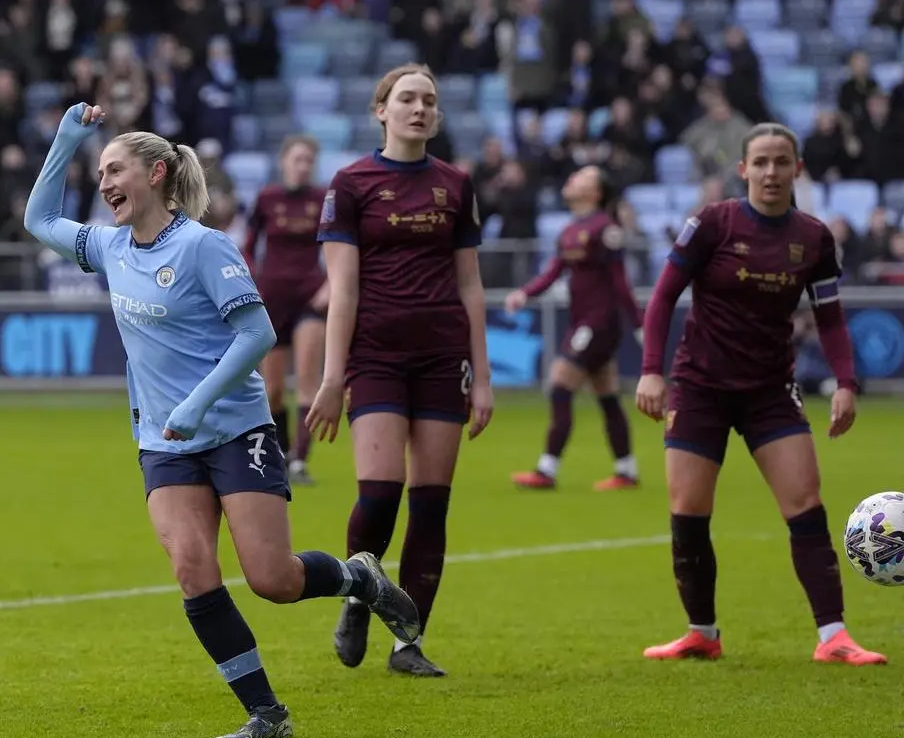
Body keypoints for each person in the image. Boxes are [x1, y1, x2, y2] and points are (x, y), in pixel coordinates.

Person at [24, 102, 422, 738]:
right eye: (98, 173)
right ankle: (266, 714)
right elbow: (38, 219)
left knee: (273, 579)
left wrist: (198, 403)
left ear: (156, 174)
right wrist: (67, 140)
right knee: (192, 569)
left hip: (235, 429)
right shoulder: (110, 246)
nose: (104, 184)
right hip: (163, 441)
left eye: (114, 169)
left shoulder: (204, 247)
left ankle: (358, 578)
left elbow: (257, 332)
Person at [636, 122, 886, 665]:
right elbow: (662, 299)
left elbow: (832, 319)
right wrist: (652, 370)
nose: (771, 172)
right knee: (689, 509)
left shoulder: (814, 238)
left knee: (805, 503)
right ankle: (701, 632)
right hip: (700, 387)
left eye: (782, 162)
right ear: (743, 169)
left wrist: (846, 383)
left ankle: (834, 637)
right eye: (762, 162)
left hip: (771, 390)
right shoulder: (712, 224)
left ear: (797, 169)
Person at [307, 63, 495, 678]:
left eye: (429, 101)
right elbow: (345, 292)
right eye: (407, 99)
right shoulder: (352, 183)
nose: (420, 109)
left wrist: (484, 376)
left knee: (431, 504)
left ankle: (407, 643)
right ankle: (362, 591)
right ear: (381, 110)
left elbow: (470, 285)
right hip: (377, 357)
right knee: (381, 491)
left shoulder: (456, 184)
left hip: (444, 358)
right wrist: (334, 379)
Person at [505, 165, 643, 491]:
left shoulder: (605, 229)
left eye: (582, 176)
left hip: (599, 324)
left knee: (560, 383)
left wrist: (638, 324)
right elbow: (554, 271)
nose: (572, 178)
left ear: (595, 193)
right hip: (582, 322)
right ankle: (626, 470)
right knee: (607, 395)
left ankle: (546, 470)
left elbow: (620, 282)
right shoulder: (569, 229)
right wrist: (525, 293)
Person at [243, 135, 329, 486]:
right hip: (273, 298)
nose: (303, 165)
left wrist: (332, 284)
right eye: (298, 159)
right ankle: (280, 452)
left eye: (309, 160)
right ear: (284, 162)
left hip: (311, 296)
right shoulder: (267, 199)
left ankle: (299, 460)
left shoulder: (323, 200)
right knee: (273, 389)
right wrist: (249, 282)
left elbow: (342, 248)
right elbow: (248, 248)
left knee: (308, 380)